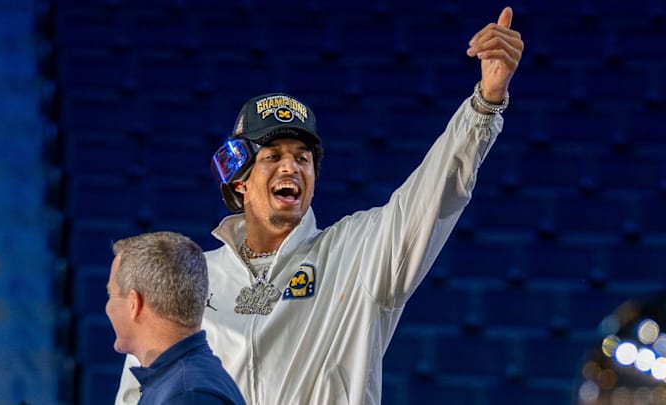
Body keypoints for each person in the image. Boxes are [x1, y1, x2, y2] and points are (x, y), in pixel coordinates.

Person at [115, 6, 524, 405]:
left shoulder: (357, 254)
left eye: (303, 157)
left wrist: (484, 105)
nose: (291, 166)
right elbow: (141, 386)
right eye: (272, 156)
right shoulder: (192, 278)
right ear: (239, 180)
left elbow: (434, 194)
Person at [107, 231, 245, 405]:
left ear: (134, 303)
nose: (108, 308)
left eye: (111, 295)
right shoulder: (177, 383)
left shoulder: (187, 395)